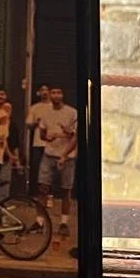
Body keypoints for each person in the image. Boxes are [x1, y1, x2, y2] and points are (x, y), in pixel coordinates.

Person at [33, 86, 78, 237]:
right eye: (53, 93)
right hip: (49, 154)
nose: (56, 95)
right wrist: (47, 137)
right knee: (43, 187)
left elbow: (76, 137)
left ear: (63, 95)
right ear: (50, 95)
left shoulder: (72, 112)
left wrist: (64, 155)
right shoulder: (46, 113)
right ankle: (39, 222)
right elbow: (42, 133)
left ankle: (64, 223)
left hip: (67, 157)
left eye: (59, 92)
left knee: (66, 190)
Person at [26, 84, 52, 191]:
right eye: (42, 90)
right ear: (39, 93)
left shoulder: (54, 107)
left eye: (46, 90)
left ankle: (51, 192)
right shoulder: (35, 108)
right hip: (38, 143)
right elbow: (28, 124)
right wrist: (36, 123)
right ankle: (35, 191)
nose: (44, 92)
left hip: (52, 142)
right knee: (36, 167)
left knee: (51, 168)